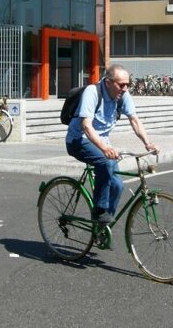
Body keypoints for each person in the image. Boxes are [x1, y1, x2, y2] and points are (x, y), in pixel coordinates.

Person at [65, 64, 159, 225]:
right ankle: (99, 210)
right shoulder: (92, 92)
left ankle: (103, 227)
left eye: (128, 84)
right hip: (79, 140)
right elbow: (86, 126)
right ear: (108, 82)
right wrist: (105, 148)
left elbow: (134, 120)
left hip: (101, 142)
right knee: (105, 162)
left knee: (117, 185)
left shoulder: (123, 95)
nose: (125, 88)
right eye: (121, 84)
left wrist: (147, 143)